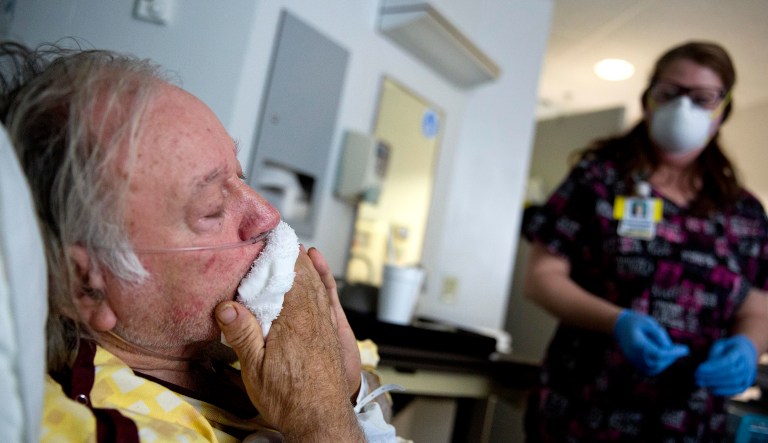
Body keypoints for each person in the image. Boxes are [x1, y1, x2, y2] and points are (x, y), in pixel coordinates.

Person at [0, 41, 396, 441]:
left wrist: (349, 388)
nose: (268, 215)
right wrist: (322, 418)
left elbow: (373, 383)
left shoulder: (234, 344)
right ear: (86, 283)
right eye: (211, 209)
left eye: (239, 177)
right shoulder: (96, 428)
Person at [522, 41, 768, 441]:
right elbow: (541, 276)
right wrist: (617, 321)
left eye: (702, 98)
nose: (683, 108)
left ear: (723, 111)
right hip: (584, 409)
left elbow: (758, 308)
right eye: (670, 94)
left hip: (689, 421)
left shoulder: (744, 212)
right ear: (649, 99)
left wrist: (746, 348)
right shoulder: (599, 179)